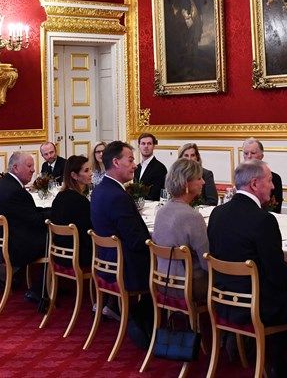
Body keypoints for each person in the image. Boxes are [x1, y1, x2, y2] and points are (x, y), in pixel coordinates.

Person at [207, 159, 287, 377]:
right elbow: (277, 274)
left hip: (223, 301)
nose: (273, 186)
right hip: (256, 307)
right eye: (269, 181)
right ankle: (284, 364)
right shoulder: (263, 220)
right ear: (255, 184)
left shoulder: (217, 214)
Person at [91, 140, 153, 342]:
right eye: (131, 159)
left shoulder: (100, 190)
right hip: (127, 269)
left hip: (107, 264)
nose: (134, 165)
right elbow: (136, 241)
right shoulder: (117, 195)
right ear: (116, 162)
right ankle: (147, 325)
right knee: (172, 268)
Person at [152, 158, 210, 300]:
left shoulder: (161, 211)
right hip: (190, 285)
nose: (203, 182)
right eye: (199, 178)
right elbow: (206, 262)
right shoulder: (193, 217)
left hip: (162, 281)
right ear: (186, 184)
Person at [0, 152, 47, 272]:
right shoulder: (15, 191)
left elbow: (28, 213)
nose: (33, 170)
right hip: (16, 246)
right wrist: (53, 215)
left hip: (3, 241)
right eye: (29, 166)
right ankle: (43, 287)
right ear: (15, 168)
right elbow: (35, 221)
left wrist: (48, 211)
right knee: (57, 240)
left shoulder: (5, 183)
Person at [49, 155, 94, 267]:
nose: (91, 173)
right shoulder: (80, 201)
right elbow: (88, 231)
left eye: (90, 169)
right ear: (74, 175)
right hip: (78, 255)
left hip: (59, 253)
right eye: (86, 170)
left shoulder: (60, 196)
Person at [242, 137, 283, 213]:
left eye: (253, 153)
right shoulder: (240, 177)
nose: (249, 156)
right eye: (246, 153)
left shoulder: (274, 178)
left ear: (261, 156)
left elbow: (276, 208)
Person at [133, 133, 167, 201]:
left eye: (149, 143)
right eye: (143, 143)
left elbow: (156, 193)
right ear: (139, 146)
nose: (146, 146)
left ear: (154, 146)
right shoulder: (137, 168)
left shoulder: (160, 168)